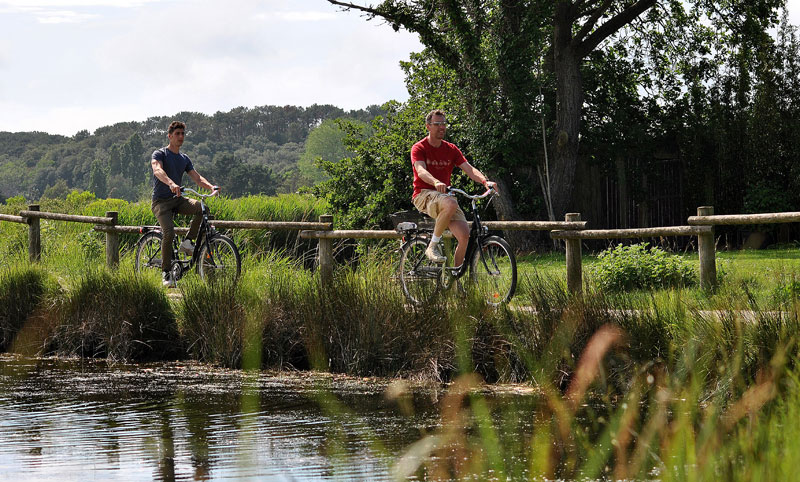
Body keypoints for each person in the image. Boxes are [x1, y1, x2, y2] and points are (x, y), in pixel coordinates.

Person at [411, 109, 497, 267]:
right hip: (424, 194)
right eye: (437, 124)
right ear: (428, 126)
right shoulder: (419, 148)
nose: (442, 127)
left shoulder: (451, 149)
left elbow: (469, 169)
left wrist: (485, 182)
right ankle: (432, 247)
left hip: (444, 196)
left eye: (444, 123)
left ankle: (454, 278)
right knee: (451, 203)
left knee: (464, 235)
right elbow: (421, 171)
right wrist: (436, 182)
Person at [150, 121, 219, 287]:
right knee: (169, 232)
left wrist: (211, 187)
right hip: (161, 203)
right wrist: (171, 183)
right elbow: (157, 170)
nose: (181, 137)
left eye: (183, 134)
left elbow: (196, 177)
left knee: (202, 209)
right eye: (177, 134)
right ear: (170, 136)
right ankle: (166, 273)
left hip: (178, 199)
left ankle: (188, 242)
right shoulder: (160, 154)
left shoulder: (184, 158)